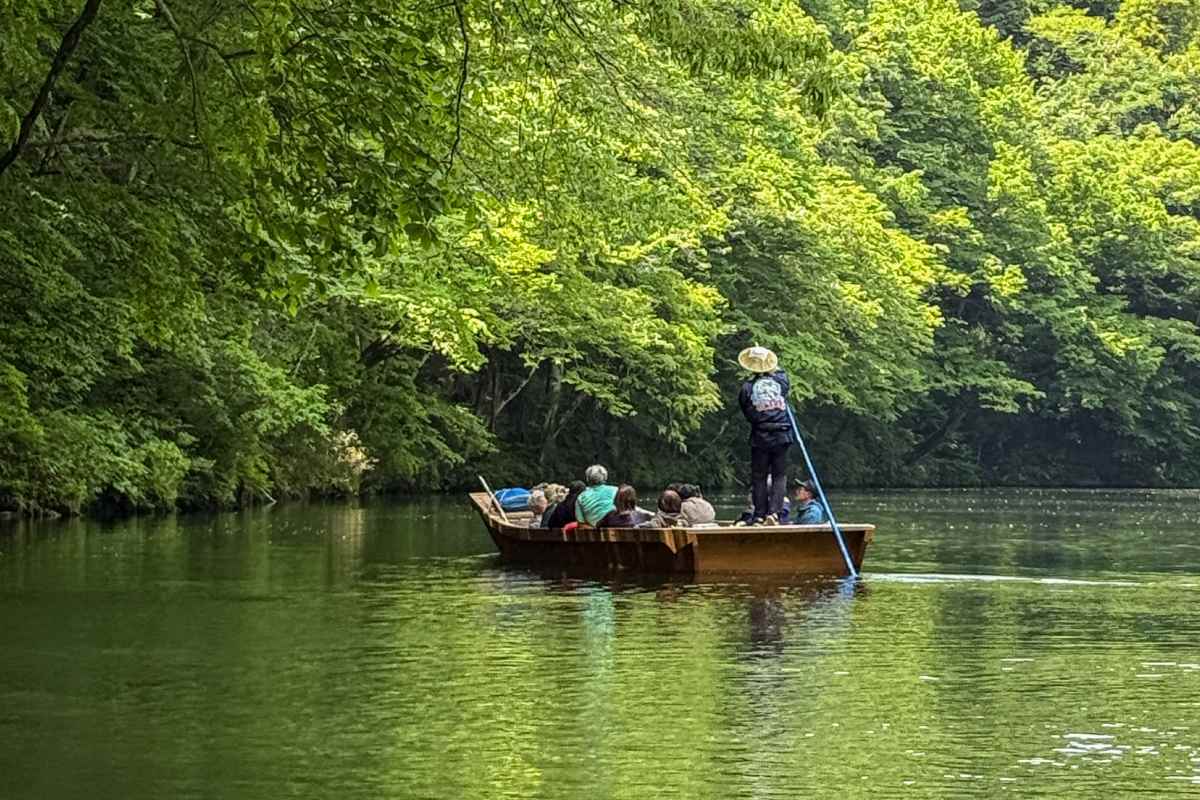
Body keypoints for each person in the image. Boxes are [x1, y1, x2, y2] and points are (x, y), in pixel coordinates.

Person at [737, 345, 793, 525]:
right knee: (779, 475)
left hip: (760, 434)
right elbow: (781, 373)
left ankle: (760, 514)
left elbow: (747, 413)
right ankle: (775, 514)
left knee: (759, 476)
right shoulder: (782, 382)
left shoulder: (747, 387)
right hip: (782, 432)